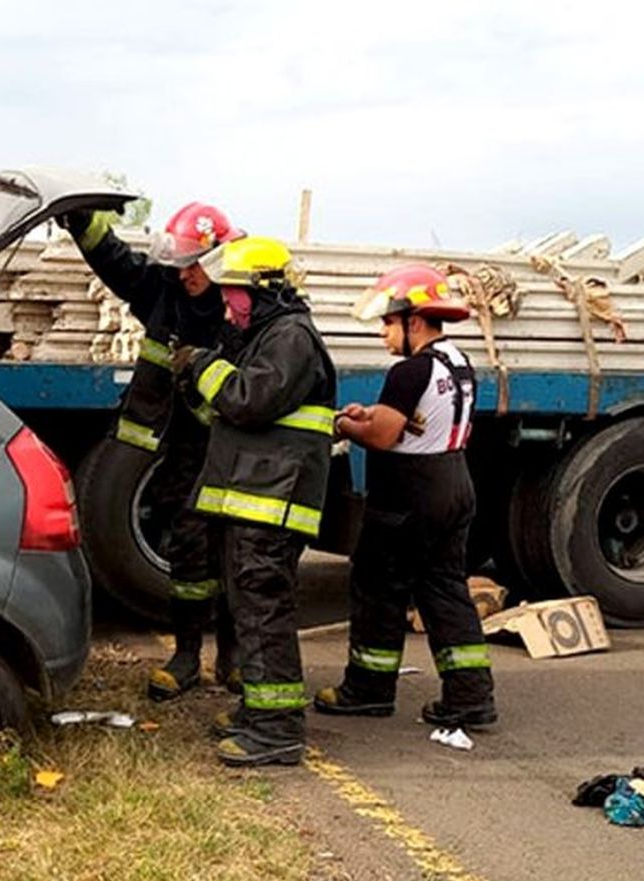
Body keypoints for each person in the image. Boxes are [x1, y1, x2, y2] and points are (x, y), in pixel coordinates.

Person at [167, 236, 337, 766]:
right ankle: (258, 713)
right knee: (249, 608)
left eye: (235, 293)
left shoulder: (291, 337)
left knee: (263, 611)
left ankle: (278, 729)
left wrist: (202, 367)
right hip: (255, 499)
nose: (228, 304)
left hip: (273, 503)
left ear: (263, 290)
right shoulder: (267, 333)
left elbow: (249, 400)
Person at [62, 202, 243, 702]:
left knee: (232, 552)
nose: (184, 274)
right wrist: (82, 221)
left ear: (220, 259)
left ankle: (233, 656)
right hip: (179, 449)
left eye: (194, 265)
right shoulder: (163, 290)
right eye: (180, 263)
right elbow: (116, 262)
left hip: (228, 450)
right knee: (187, 547)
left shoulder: (241, 310)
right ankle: (186, 656)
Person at [314, 263, 498, 727]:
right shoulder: (458, 362)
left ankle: (367, 688)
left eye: (387, 322)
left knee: (378, 587)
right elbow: (420, 419)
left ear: (413, 321)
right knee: (446, 590)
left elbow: (382, 436)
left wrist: (341, 423)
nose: (382, 333)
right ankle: (471, 697)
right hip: (455, 482)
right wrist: (371, 413)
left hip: (408, 495)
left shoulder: (408, 371)